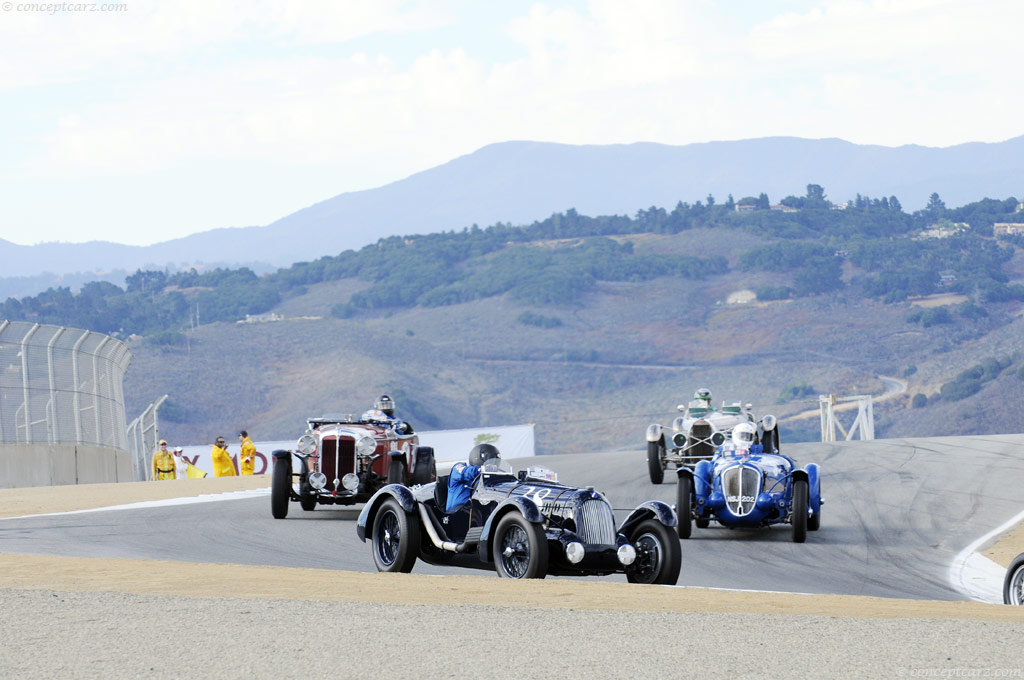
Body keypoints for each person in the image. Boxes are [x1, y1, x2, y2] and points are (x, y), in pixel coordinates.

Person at [446, 443, 500, 513]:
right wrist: (482, 469)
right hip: (458, 513)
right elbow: (466, 472)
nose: (494, 466)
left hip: (478, 513)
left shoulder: (489, 477)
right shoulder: (458, 468)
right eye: (491, 462)